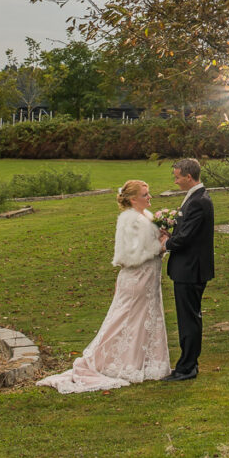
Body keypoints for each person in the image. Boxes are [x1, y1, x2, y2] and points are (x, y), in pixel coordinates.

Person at [37, 180, 170, 394]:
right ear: (133, 199)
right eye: (145, 194)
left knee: (144, 320)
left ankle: (144, 362)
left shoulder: (146, 217)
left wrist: (162, 242)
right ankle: (113, 362)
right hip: (136, 279)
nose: (150, 197)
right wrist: (160, 246)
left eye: (149, 193)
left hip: (148, 278)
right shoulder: (130, 220)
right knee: (125, 320)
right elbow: (128, 255)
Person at [160, 158, 215, 382]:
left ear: (189, 177)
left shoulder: (198, 201)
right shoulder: (196, 198)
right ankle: (187, 364)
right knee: (189, 318)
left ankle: (187, 368)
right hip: (190, 269)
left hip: (191, 270)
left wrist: (166, 244)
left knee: (188, 320)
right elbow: (186, 231)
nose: (176, 181)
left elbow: (185, 238)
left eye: (177, 177)